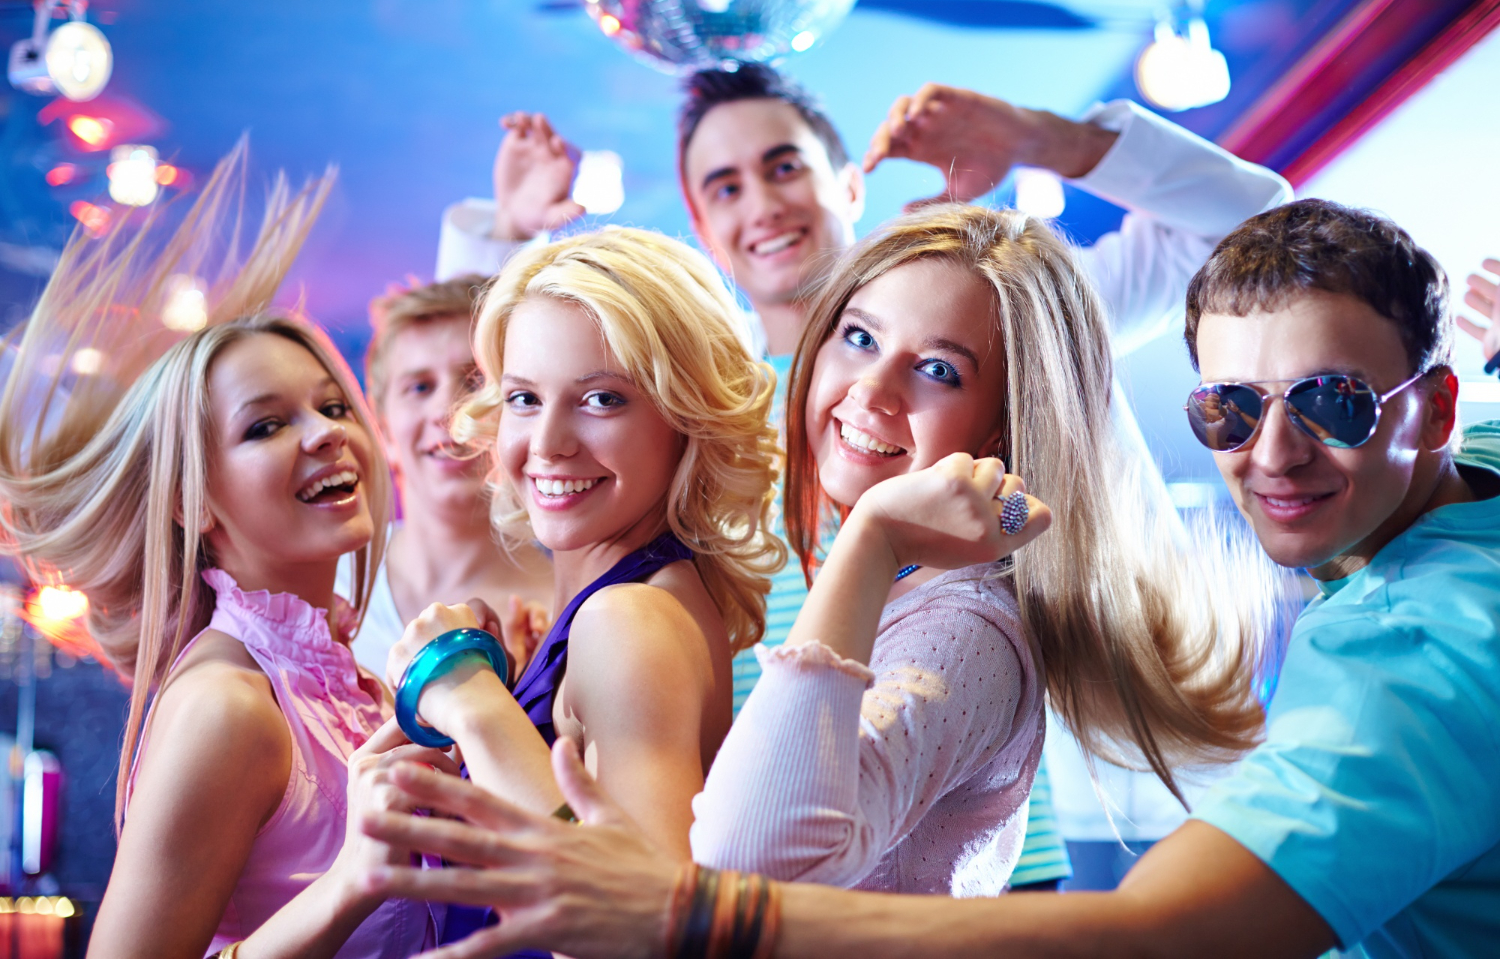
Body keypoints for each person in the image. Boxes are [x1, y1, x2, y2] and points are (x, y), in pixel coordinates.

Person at [357, 200, 1500, 959]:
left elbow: (720, 872)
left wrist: (868, 549)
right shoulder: (1466, 494)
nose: (1275, 450)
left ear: (1006, 418)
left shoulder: (960, 622)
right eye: (856, 337)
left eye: (938, 368)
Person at [435, 70, 1292, 889]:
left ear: (848, 183)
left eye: (784, 166)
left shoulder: (996, 297)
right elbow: (526, 417)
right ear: (699, 219)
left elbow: (1253, 226)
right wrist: (501, 235)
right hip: (776, 812)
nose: (763, 203)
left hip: (937, 836)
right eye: (725, 186)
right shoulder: (712, 402)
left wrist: (1041, 138)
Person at [0, 147, 448, 957]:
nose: (326, 436)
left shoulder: (345, 681)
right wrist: (351, 885)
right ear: (191, 500)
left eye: (332, 405)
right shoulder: (228, 706)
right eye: (266, 425)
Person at [383, 226, 783, 943]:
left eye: (601, 400)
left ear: (686, 417)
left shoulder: (630, 620)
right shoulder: (631, 601)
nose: (548, 443)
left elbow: (643, 934)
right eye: (524, 398)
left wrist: (475, 705)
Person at [335, 275, 553, 676]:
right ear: (381, 428)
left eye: (475, 381)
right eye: (419, 387)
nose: (448, 411)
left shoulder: (559, 610)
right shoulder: (329, 581)